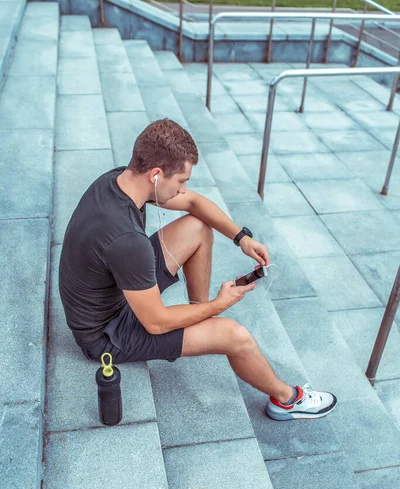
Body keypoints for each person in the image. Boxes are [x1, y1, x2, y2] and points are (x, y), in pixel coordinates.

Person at [59, 118, 337, 421]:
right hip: (106, 335)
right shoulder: (127, 241)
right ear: (155, 174)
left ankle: (199, 316)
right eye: (181, 180)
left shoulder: (118, 180)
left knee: (198, 227)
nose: (184, 189)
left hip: (116, 287)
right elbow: (156, 323)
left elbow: (192, 204)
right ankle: (287, 400)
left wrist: (241, 238)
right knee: (236, 336)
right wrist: (221, 304)